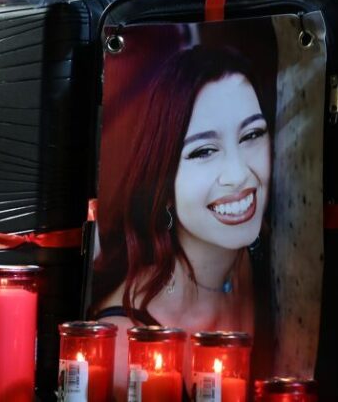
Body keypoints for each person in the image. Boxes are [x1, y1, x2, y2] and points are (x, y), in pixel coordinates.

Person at [90, 45, 275, 400]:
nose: (238, 174)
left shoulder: (273, 256)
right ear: (163, 184)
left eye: (252, 135)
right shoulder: (125, 346)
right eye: (203, 151)